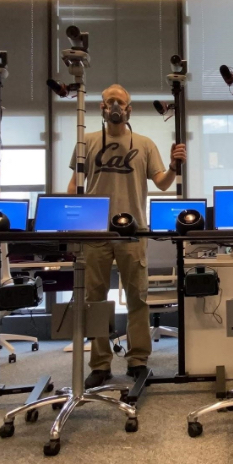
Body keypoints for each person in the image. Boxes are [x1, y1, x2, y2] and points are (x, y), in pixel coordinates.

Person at [68, 84, 187, 388]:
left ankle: (138, 360)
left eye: (122, 102)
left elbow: (162, 183)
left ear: (130, 109)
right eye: (111, 101)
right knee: (94, 299)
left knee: (138, 299)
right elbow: (74, 186)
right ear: (102, 108)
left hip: (133, 233)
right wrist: (70, 215)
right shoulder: (87, 142)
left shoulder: (145, 144)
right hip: (95, 233)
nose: (116, 106)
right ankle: (100, 363)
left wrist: (174, 167)